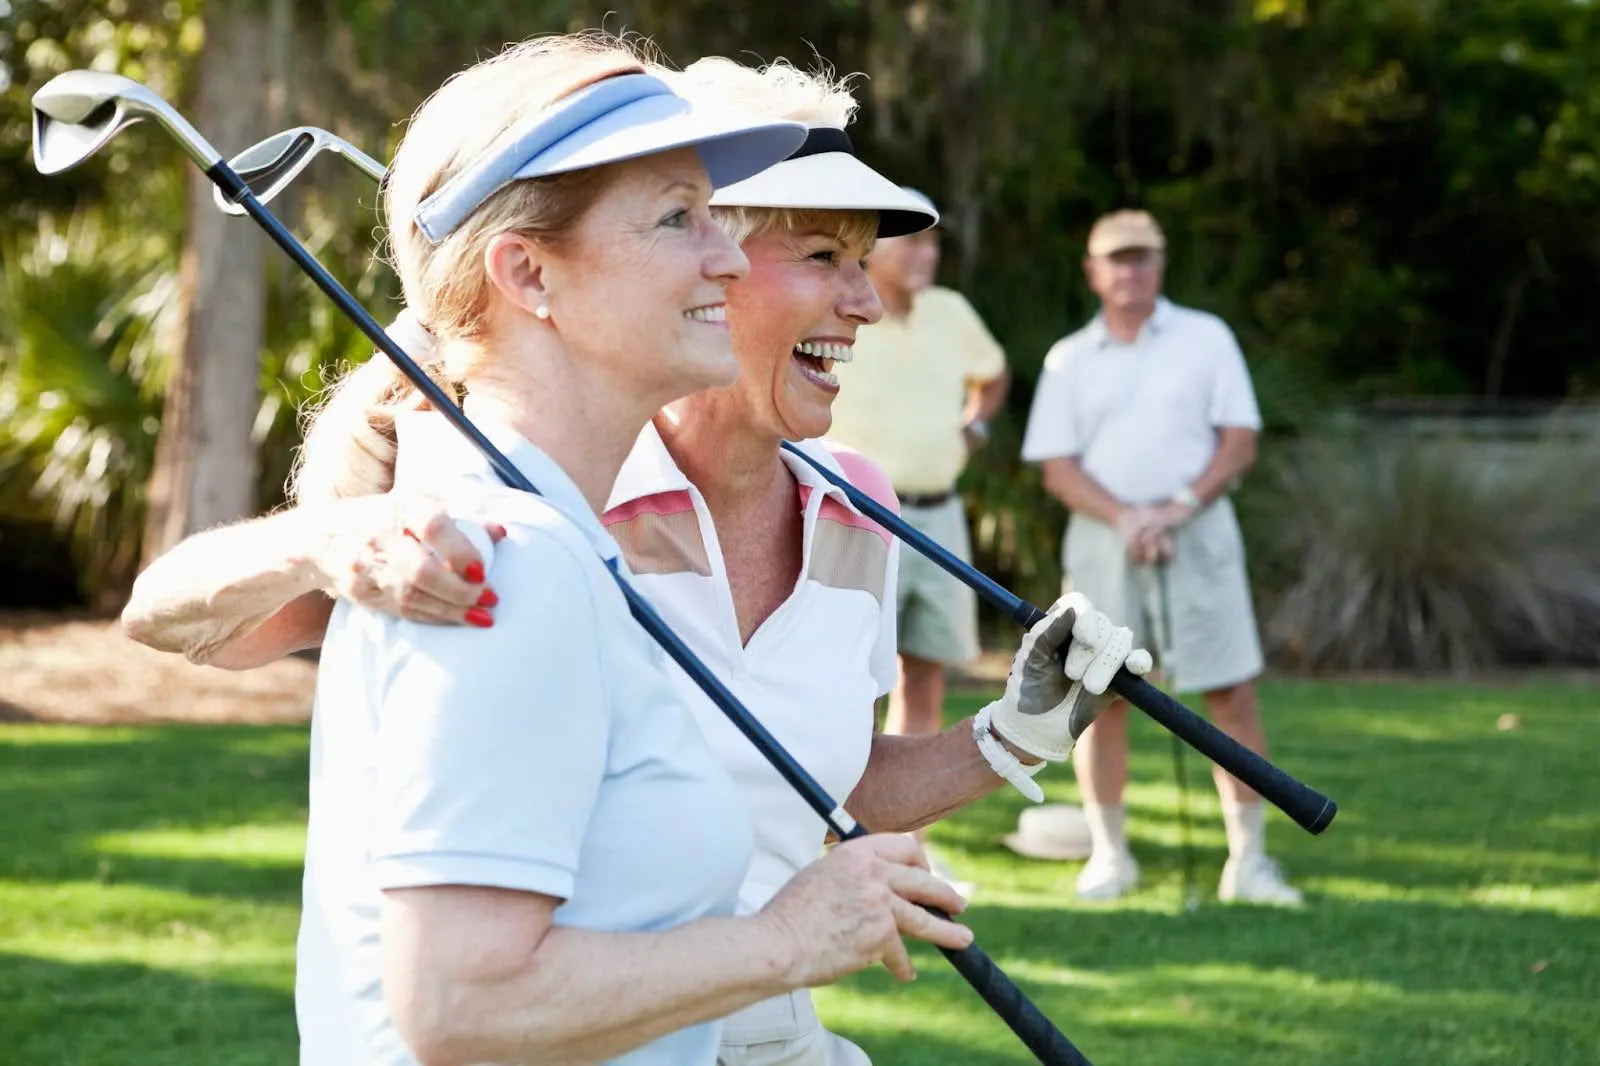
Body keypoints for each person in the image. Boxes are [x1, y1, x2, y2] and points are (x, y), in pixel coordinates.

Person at [122, 52, 1154, 1065]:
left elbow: (802, 781)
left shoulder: (807, 508)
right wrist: (329, 533)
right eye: (684, 220)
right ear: (527, 273)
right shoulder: (499, 547)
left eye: (713, 219)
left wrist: (1011, 735)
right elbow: (458, 1004)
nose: (864, 297)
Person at [1020, 208, 1302, 906]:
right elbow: (1056, 467)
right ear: (1093, 271)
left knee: (1229, 692)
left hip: (1199, 528)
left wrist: (1175, 507)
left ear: (1160, 265)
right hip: (1101, 533)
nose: (1130, 269)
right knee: (1100, 695)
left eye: (1142, 257)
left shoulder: (1205, 338)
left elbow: (1238, 441)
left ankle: (1250, 862)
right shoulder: (1069, 357)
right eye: (1116, 258)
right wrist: (1127, 518)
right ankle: (1110, 857)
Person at [820, 199, 1009, 877]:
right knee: (854, 677)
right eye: (914, 246)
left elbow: (993, 374)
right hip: (857, 517)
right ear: (875, 251)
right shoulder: (844, 303)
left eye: (934, 247)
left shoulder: (952, 312)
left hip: (939, 515)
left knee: (925, 671)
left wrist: (975, 426)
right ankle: (846, 838)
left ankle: (910, 844)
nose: (927, 256)